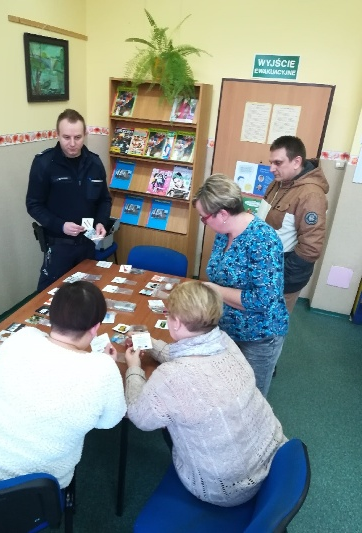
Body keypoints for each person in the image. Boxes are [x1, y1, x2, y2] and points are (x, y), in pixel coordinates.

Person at [124, 281, 286, 507]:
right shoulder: (224, 341)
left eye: (169, 315)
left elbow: (138, 416)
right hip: (274, 458)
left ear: (177, 323)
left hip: (224, 489)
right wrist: (150, 344)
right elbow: (190, 357)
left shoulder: (172, 376)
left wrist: (133, 367)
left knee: (164, 418)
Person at [0, 281, 126, 487]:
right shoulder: (103, 369)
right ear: (95, 328)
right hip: (32, 491)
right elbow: (109, 422)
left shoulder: (21, 337)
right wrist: (106, 366)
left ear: (51, 317)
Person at [193, 174, 289, 396]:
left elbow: (262, 300)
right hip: (227, 327)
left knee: (250, 397)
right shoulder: (224, 233)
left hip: (259, 335)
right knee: (226, 391)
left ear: (223, 213)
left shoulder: (262, 239)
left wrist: (216, 291)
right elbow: (218, 275)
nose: (204, 222)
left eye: (204, 217)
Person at [26, 109, 112, 291]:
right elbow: (33, 205)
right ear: (57, 134)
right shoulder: (44, 163)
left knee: (86, 296)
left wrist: (101, 222)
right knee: (49, 298)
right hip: (58, 246)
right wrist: (60, 225)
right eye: (66, 137)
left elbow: (104, 200)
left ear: (85, 135)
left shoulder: (95, 163)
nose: (72, 144)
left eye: (78, 137)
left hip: (88, 244)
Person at [258, 136, 329, 313]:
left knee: (271, 329)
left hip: (282, 276)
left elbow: (311, 248)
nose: (271, 168)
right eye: (271, 162)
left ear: (297, 161)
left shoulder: (311, 195)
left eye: (278, 162)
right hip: (264, 269)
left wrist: (281, 277)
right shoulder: (278, 183)